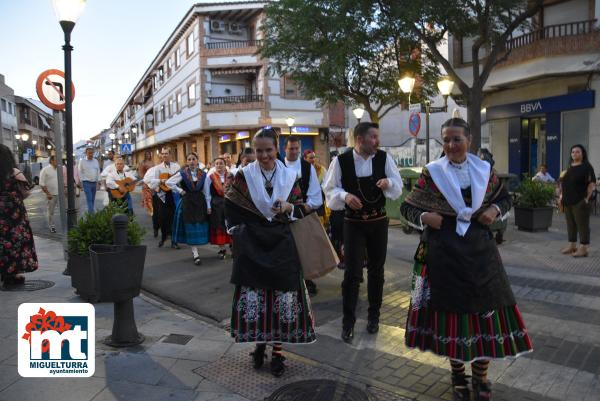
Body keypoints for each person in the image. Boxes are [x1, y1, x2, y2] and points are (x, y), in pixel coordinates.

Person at [400, 117, 533, 401]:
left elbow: (506, 198)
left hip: (480, 254)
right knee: (451, 318)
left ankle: (481, 378)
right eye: (446, 140)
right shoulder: (432, 173)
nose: (451, 145)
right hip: (442, 254)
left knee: (484, 315)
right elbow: (407, 208)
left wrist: (495, 210)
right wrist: (425, 217)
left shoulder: (485, 171)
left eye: (456, 139)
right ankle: (458, 375)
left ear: (469, 140)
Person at [225, 127, 316, 377]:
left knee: (281, 300)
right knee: (260, 299)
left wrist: (288, 206)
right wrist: (239, 233)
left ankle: (277, 353)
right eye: (258, 151)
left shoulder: (289, 176)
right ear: (253, 151)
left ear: (277, 148)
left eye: (268, 150)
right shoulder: (243, 176)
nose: (264, 155)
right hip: (252, 244)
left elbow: (301, 208)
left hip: (282, 245)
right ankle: (259, 345)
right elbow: (231, 208)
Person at [322, 122, 403, 343]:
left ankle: (373, 316)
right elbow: (329, 188)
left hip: (378, 222)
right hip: (354, 223)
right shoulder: (341, 161)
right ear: (360, 139)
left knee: (377, 271)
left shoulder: (384, 158)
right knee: (352, 274)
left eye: (377, 137)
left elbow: (398, 185)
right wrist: (345, 196)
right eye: (374, 137)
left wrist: (388, 182)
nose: (377, 141)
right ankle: (348, 322)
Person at [284, 137, 323, 295]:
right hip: (283, 216)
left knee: (304, 250)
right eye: (290, 148)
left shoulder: (307, 167)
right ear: (285, 149)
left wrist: (308, 206)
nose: (293, 151)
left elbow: (315, 192)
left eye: (296, 149)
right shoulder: (279, 165)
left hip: (302, 214)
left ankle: (306, 280)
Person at [0, 144, 38, 286]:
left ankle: (3, 273)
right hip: (15, 217)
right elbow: (26, 192)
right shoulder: (15, 173)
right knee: (15, 244)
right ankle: (12, 275)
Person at [167, 152, 210, 265]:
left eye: (193, 159)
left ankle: (196, 251)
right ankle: (195, 253)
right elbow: (169, 182)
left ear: (197, 161)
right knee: (190, 225)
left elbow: (206, 191)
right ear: (187, 162)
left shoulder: (203, 174)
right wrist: (180, 191)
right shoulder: (183, 173)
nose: (191, 161)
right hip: (188, 201)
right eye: (189, 159)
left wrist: (208, 205)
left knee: (198, 224)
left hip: (200, 202)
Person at [559, 144, 596, 257]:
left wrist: (586, 198)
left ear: (582, 153)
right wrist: (561, 196)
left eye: (577, 152)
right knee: (571, 224)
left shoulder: (586, 167)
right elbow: (562, 182)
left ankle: (584, 248)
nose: (575, 154)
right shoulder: (570, 167)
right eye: (573, 152)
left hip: (580, 201)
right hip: (568, 201)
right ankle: (572, 245)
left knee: (582, 225)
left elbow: (591, 184)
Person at [145, 147, 181, 248]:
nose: (164, 155)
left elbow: (179, 180)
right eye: (163, 154)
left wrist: (173, 182)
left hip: (174, 194)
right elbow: (153, 182)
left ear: (170, 155)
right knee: (163, 218)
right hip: (162, 195)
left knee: (174, 218)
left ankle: (174, 241)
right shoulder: (158, 168)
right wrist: (160, 183)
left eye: (166, 154)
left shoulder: (176, 166)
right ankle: (163, 238)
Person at [204, 157, 232, 259]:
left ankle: (232, 246)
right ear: (214, 166)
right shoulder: (210, 177)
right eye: (217, 164)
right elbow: (207, 194)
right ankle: (222, 249)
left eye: (221, 163)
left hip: (229, 204)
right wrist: (208, 206)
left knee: (230, 225)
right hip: (216, 205)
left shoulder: (229, 176)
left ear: (225, 165)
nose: (219, 165)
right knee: (219, 226)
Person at [39, 156, 64, 233]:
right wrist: (48, 193)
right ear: (52, 161)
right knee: (51, 212)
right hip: (51, 195)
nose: (59, 162)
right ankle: (51, 226)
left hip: (60, 194)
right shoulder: (45, 170)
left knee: (63, 210)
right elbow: (41, 184)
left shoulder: (60, 169)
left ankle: (65, 225)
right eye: (57, 160)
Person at [137, 151, 157, 235]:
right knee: (147, 197)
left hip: (152, 182)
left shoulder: (152, 162)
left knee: (152, 198)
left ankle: (152, 210)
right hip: (146, 182)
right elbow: (140, 173)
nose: (148, 155)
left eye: (149, 154)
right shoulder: (143, 163)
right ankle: (151, 211)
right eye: (147, 154)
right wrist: (144, 179)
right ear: (145, 155)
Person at [78, 147, 101, 213]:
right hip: (86, 182)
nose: (91, 154)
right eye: (89, 153)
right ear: (86, 153)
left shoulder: (95, 161)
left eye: (92, 153)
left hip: (94, 182)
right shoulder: (82, 161)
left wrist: (99, 181)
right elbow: (80, 172)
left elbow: (98, 171)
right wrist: (81, 181)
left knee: (93, 199)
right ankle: (91, 214)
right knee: (89, 199)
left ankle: (90, 214)